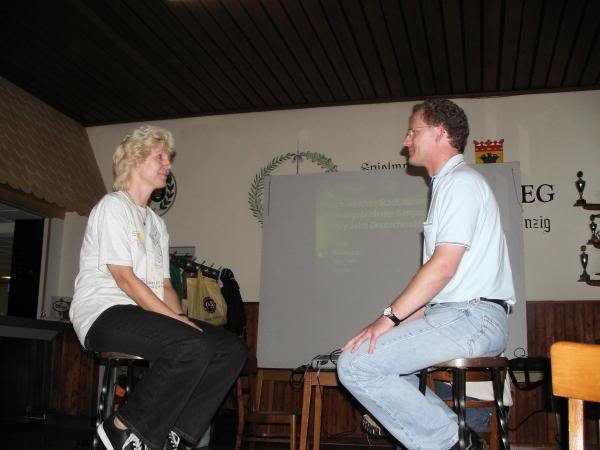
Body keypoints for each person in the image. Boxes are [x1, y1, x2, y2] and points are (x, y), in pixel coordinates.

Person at [337, 99, 515, 450]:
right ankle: (456, 439)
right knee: (373, 361)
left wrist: (387, 319)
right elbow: (433, 293)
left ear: (440, 133)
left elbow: (442, 267)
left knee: (355, 365)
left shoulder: (460, 183)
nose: (406, 140)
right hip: (459, 315)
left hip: (473, 318)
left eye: (413, 131)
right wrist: (384, 330)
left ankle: (456, 443)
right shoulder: (449, 186)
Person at [69, 125, 248, 450]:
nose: (168, 164)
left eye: (169, 158)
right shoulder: (113, 207)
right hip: (103, 313)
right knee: (191, 343)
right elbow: (125, 279)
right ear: (136, 160)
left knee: (231, 348)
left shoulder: (156, 224)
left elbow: (165, 285)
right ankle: (120, 427)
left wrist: (182, 320)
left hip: (142, 314)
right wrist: (180, 326)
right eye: (160, 157)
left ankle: (175, 435)